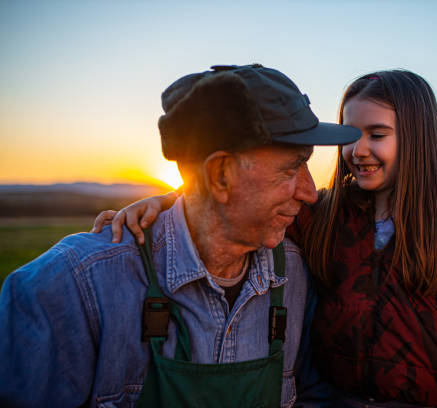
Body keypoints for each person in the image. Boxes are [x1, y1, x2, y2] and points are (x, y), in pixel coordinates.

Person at [94, 70, 437, 407]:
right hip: (338, 398)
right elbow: (237, 204)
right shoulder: (325, 213)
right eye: (351, 134)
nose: (359, 149)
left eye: (377, 134)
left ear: (418, 138)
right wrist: (168, 200)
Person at [0, 64, 362, 407]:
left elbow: (312, 395)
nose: (310, 192)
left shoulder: (294, 275)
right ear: (220, 175)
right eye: (292, 168)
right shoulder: (72, 287)